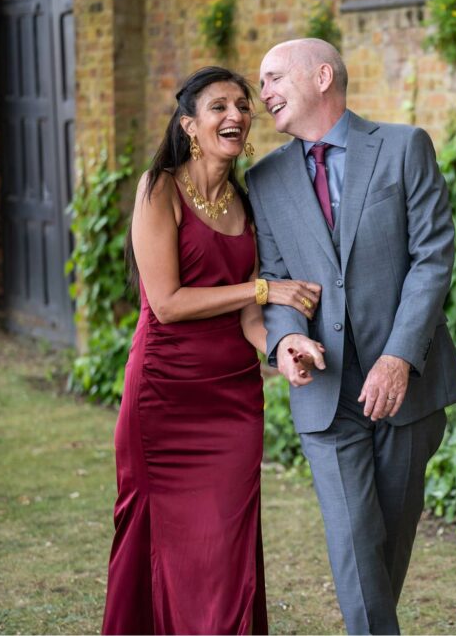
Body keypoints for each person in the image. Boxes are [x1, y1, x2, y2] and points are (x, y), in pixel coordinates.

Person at [247, 38, 456, 634]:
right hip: (326, 392)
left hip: (410, 388)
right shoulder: (264, 179)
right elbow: (275, 278)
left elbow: (432, 258)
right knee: (352, 541)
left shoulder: (404, 147)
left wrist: (399, 356)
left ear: (322, 76)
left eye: (272, 78)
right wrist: (286, 340)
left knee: (383, 550)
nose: (262, 94)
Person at [102, 66, 324, 635]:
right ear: (190, 126)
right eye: (218, 106)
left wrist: (282, 349)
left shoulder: (247, 205)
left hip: (232, 400)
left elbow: (250, 318)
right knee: (153, 537)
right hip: (163, 395)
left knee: (228, 547)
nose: (235, 115)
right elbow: (169, 302)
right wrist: (264, 287)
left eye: (242, 105)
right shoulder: (159, 189)